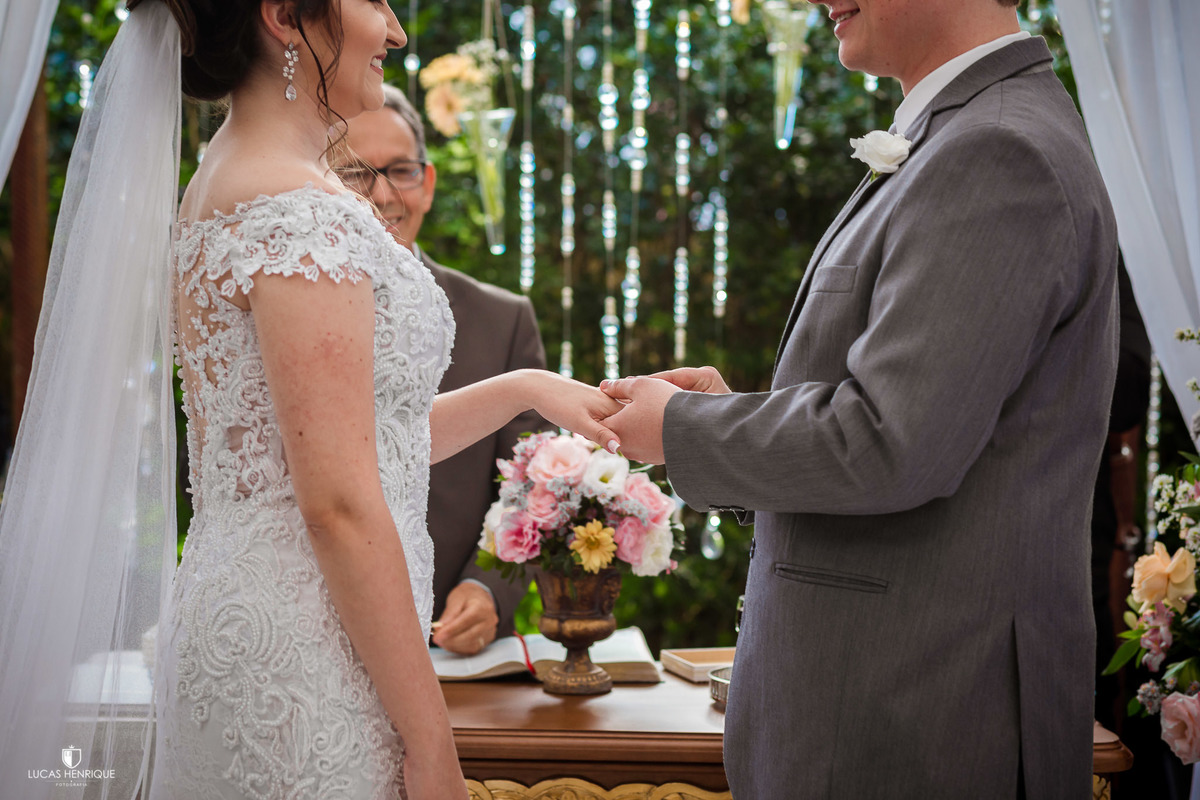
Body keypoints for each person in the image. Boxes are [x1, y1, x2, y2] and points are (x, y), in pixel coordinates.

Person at [0, 1, 620, 799]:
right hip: (304, 654)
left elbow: (355, 442)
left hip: (276, 619)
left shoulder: (236, 181)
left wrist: (529, 389)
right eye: (375, 3)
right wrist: (432, 740)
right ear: (285, 16)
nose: (395, 32)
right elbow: (338, 501)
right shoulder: (295, 212)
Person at [602, 0, 1118, 797]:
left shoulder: (998, 149)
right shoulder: (967, 131)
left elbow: (889, 442)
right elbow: (920, 418)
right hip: (877, 711)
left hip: (913, 718)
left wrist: (684, 429)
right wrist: (728, 408)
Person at [342, 85, 552, 656]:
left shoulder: (500, 319)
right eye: (356, 173)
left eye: (401, 171)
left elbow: (531, 485)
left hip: (447, 648)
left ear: (428, 183)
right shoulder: (279, 301)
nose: (382, 194)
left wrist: (489, 589)